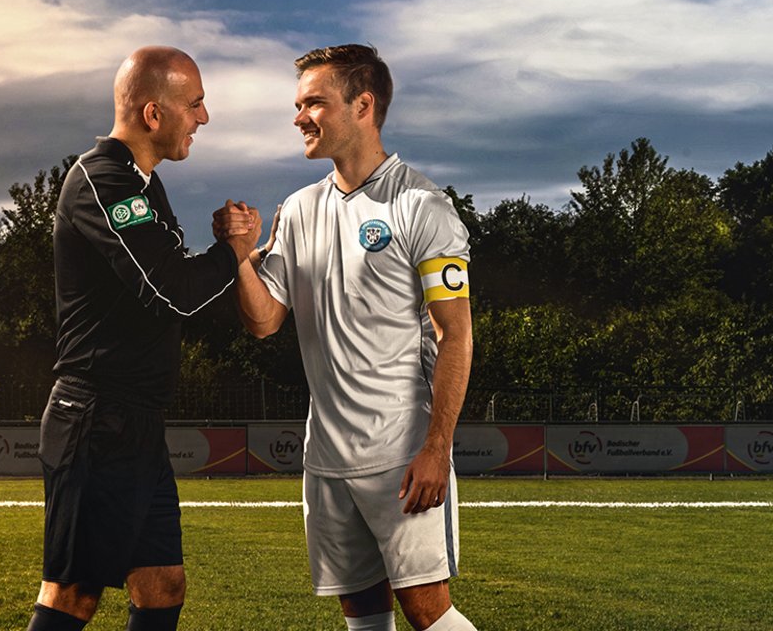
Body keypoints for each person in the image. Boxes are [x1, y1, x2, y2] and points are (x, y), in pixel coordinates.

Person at [225, 44, 478, 631]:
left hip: (401, 453)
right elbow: (263, 321)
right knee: (361, 609)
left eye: (313, 102)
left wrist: (436, 449)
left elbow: (456, 336)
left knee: (425, 608)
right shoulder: (299, 208)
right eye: (297, 103)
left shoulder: (423, 207)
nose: (298, 117)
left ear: (363, 105)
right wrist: (241, 258)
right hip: (327, 458)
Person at [27, 45, 256, 631]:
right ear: (154, 114)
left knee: (161, 585)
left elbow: (168, 282)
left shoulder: (142, 184)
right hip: (97, 418)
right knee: (73, 593)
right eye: (196, 104)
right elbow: (173, 289)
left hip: (135, 423)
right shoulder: (103, 180)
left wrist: (222, 255)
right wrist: (233, 252)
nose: (204, 118)